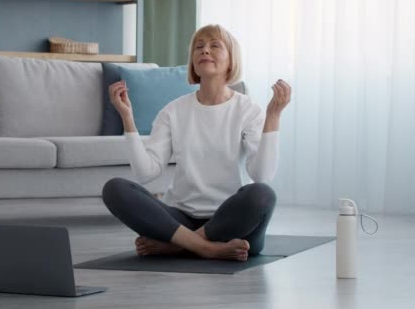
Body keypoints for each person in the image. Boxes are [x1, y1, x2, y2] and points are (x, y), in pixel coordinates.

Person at [102, 24, 291, 261]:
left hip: (231, 222)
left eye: (214, 46)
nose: (205, 51)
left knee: (262, 195)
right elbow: (145, 174)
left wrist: (273, 116)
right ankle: (207, 248)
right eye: (199, 47)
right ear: (193, 61)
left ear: (231, 61)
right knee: (115, 189)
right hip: (181, 219)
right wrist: (127, 118)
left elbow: (261, 174)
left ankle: (179, 246)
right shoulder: (173, 111)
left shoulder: (248, 109)